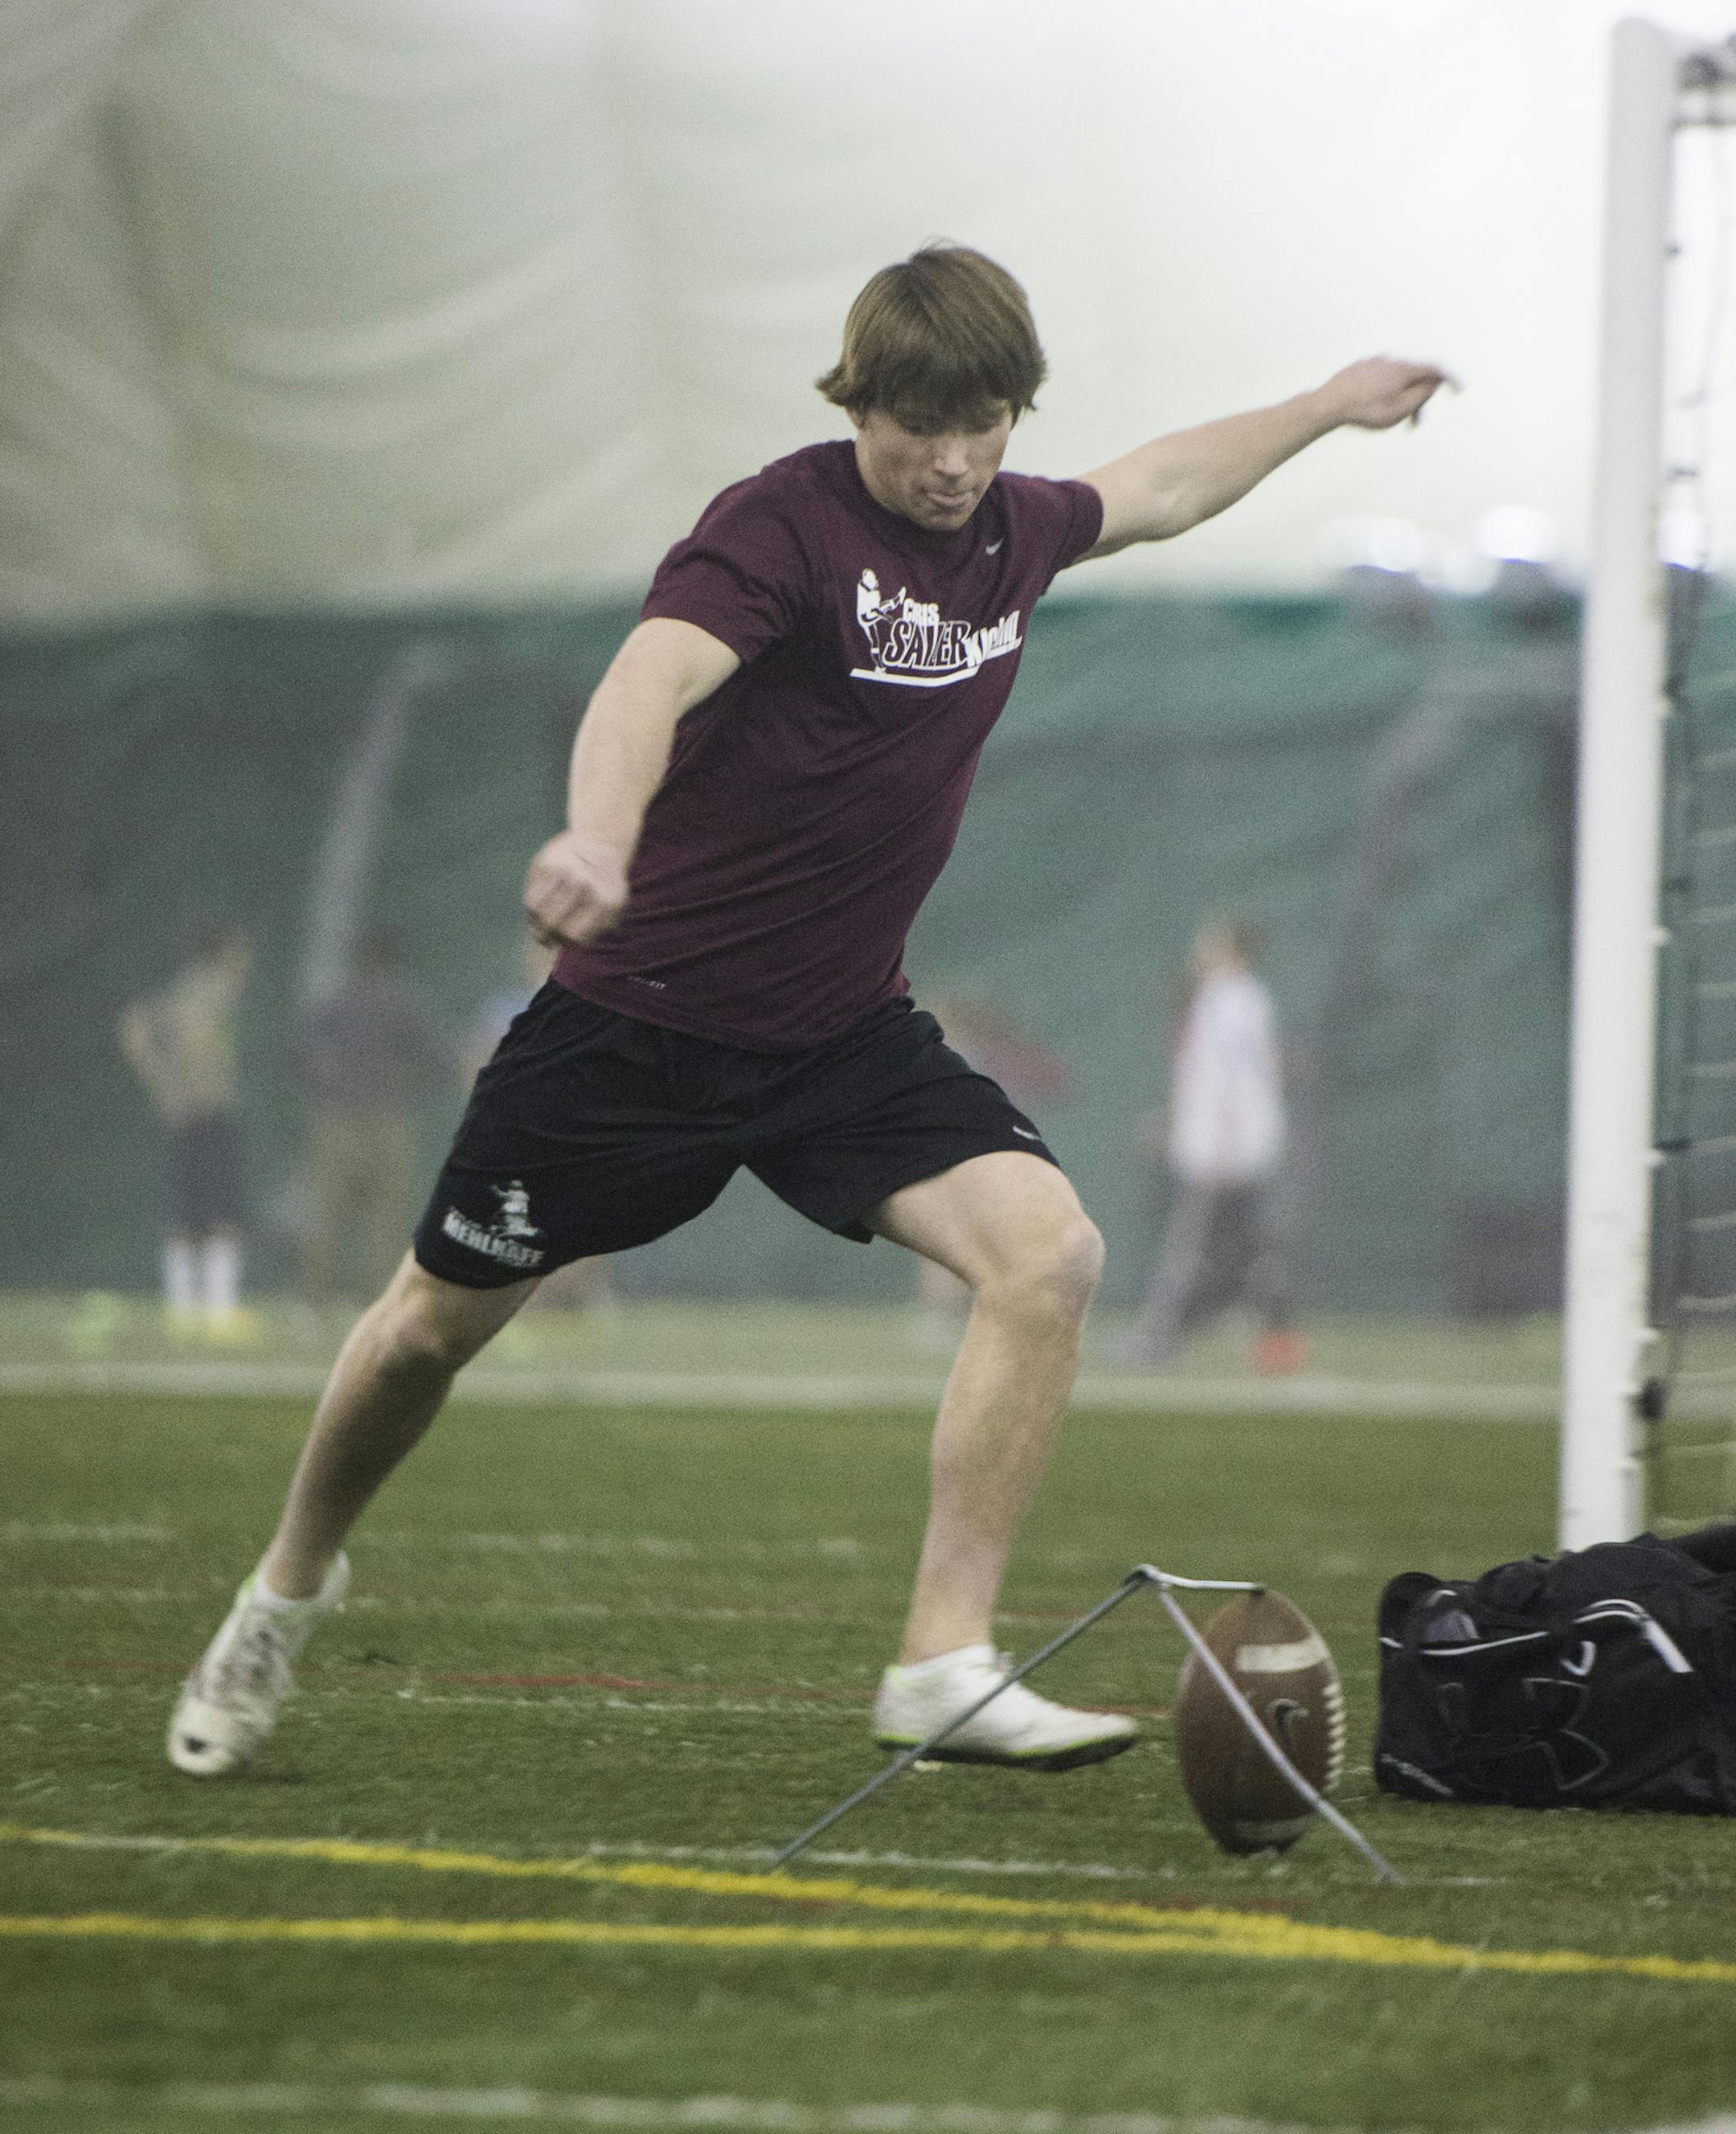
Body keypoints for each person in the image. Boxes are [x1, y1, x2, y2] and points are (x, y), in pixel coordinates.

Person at [168, 244, 1448, 1779]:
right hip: (634, 1029)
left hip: (842, 1037)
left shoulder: (1013, 531)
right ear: (859, 407)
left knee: (1048, 1256)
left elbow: (1163, 486)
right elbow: (645, 681)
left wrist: (1327, 403)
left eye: (985, 424)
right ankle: (284, 1591)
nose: (955, 462)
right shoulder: (780, 525)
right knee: (422, 1338)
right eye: (921, 427)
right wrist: (596, 839)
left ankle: (941, 1662)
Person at [1115, 920, 1304, 1374]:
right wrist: (1176, 1121)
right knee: (1254, 1250)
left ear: (1231, 950)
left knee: (1192, 1245)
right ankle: (1278, 1345)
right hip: (1238, 1145)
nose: (1200, 950)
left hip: (1224, 1152)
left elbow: (1232, 1079)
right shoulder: (1243, 999)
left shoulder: (1230, 1000)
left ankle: (1157, 1337)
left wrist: (1219, 1144)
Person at [294, 928, 455, 1304]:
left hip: (338, 1119)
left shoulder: (335, 1003)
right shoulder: (402, 1006)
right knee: (387, 1217)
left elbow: (297, 1055)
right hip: (387, 1120)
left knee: (326, 1214)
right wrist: (409, 1090)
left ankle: (312, 1298)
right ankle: (382, 1299)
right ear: (393, 963)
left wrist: (327, 1083)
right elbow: (439, 1064)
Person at [117, 924, 255, 1339]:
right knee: (218, 1210)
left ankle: (184, 1307)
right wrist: (177, 1085)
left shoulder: (186, 990)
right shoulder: (208, 992)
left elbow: (136, 1026)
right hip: (205, 1114)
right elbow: (142, 1028)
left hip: (188, 1116)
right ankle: (216, 1309)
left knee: (188, 1209)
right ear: (222, 955)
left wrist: (163, 1084)